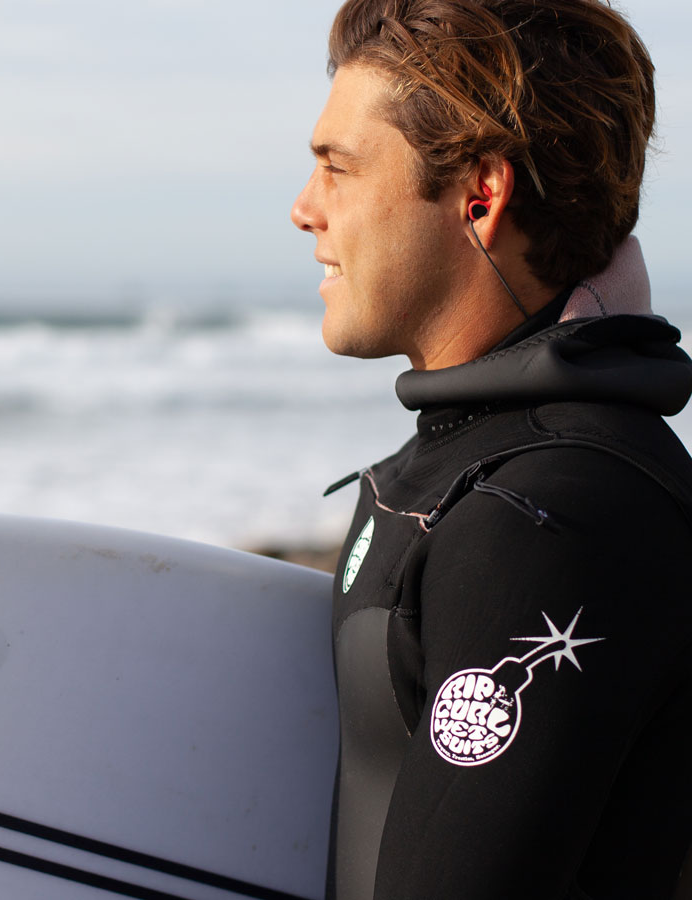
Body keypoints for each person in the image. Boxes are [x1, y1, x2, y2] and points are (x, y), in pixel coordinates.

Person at [290, 2, 692, 899]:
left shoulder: (553, 517)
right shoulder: (477, 468)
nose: (305, 209)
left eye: (338, 167)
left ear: (481, 195)